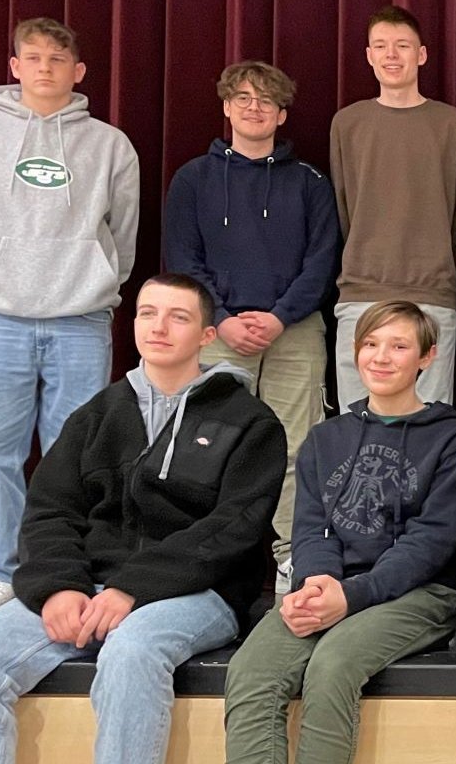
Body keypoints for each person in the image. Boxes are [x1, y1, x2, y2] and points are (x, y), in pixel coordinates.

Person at [0, 274, 284, 764]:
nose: (159, 327)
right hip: (89, 587)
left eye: (178, 317)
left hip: (198, 593)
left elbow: (234, 530)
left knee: (131, 648)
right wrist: (57, 586)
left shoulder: (250, 422)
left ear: (206, 336)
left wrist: (134, 587)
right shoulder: (97, 415)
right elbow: (50, 510)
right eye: (147, 313)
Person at [0, 17, 140, 617]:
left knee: (74, 457)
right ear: (15, 66)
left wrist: (94, 283)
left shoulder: (109, 145)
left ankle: (67, 572)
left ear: (78, 73)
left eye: (58, 59)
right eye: (34, 57)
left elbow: (122, 236)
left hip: (79, 322)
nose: (45, 68)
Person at [221, 300, 456, 764]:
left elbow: (431, 542)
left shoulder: (453, 439)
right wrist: (316, 584)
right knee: (252, 672)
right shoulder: (326, 437)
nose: (381, 357)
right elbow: (313, 527)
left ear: (426, 357)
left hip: (422, 592)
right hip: (333, 586)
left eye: (399, 346)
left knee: (333, 664)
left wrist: (352, 597)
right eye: (371, 344)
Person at [165, 60, 339, 582]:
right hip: (216, 333)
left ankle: (292, 557)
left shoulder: (309, 182)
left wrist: (280, 317)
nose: (254, 107)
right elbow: (182, 258)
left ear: (282, 114)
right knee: (208, 447)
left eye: (266, 100)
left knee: (295, 449)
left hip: (296, 331)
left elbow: (323, 261)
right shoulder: (193, 179)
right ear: (225, 107)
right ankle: (206, 560)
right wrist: (222, 317)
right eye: (243, 98)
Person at [329, 4, 456, 407]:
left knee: (427, 424)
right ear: (368, 55)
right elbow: (345, 206)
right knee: (355, 421)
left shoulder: (455, 125)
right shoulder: (348, 123)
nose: (391, 54)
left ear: (422, 54)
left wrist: (438, 269)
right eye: (381, 45)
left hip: (431, 291)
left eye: (402, 45)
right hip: (361, 288)